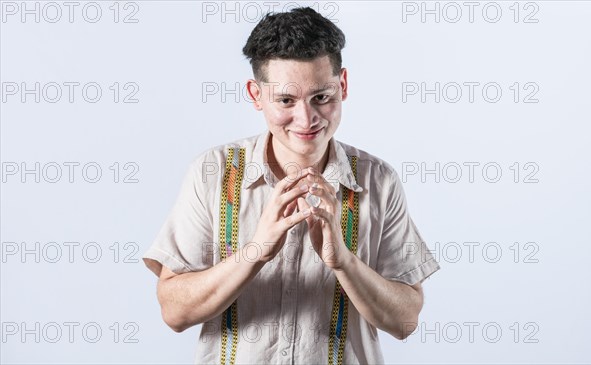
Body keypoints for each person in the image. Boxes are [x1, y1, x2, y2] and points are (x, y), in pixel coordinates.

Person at [143, 7, 440, 364]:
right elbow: (174, 311)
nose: (307, 118)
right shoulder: (213, 172)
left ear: (342, 85)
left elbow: (406, 320)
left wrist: (343, 261)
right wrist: (258, 250)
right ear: (256, 95)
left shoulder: (378, 180)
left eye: (322, 97)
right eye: (286, 100)